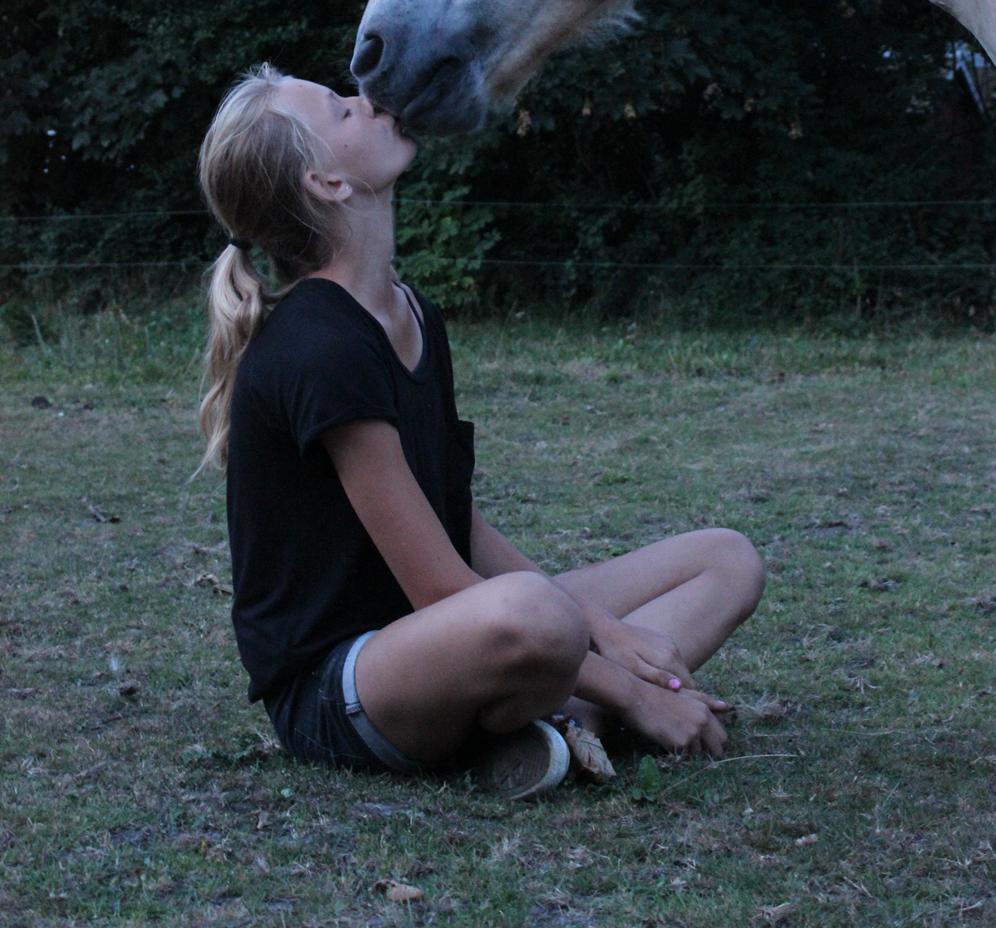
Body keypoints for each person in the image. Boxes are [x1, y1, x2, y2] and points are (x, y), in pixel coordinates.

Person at [197, 64, 764, 798]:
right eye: (342, 110)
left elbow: (453, 519)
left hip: (447, 632)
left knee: (726, 559)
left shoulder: (411, 314)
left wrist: (607, 629)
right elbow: (440, 586)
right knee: (536, 613)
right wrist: (635, 688)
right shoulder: (320, 346)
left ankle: (554, 725)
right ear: (327, 182)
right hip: (341, 690)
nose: (369, 100)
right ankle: (577, 710)